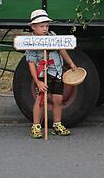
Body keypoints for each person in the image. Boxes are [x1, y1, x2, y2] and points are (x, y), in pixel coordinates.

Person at [26, 9, 77, 139]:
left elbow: (62, 50)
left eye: (46, 26)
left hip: (57, 73)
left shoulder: (52, 36)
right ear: (33, 27)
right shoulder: (30, 42)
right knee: (41, 99)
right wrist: (37, 81)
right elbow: (31, 63)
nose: (45, 29)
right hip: (43, 74)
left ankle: (57, 124)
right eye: (41, 26)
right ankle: (36, 125)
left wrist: (70, 63)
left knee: (58, 99)